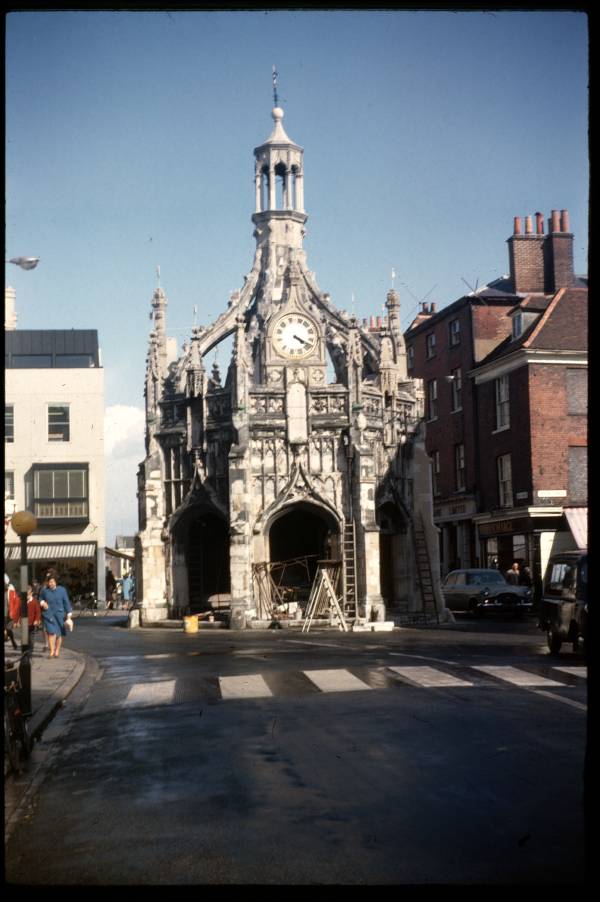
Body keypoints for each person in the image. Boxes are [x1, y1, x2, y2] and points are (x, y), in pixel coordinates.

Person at [39, 576, 73, 658]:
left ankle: (57, 651)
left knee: (58, 634)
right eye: (49, 582)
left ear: (56, 582)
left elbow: (66, 602)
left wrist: (69, 614)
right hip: (48, 614)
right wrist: (43, 603)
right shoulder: (44, 591)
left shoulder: (62, 590)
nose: (51, 583)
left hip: (59, 615)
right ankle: (52, 651)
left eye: (53, 582)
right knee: (51, 633)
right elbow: (40, 598)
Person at [26, 584, 43, 649]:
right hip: (25, 623)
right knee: (25, 637)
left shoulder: (35, 602)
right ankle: (26, 649)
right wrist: (18, 620)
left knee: (31, 637)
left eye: (29, 594)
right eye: (26, 594)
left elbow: (38, 612)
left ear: (31, 593)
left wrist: (36, 620)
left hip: (32, 623)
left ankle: (31, 649)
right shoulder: (23, 601)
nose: (27, 596)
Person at [4, 574, 18, 650]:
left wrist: (14, 612)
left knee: (8, 629)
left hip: (9, 615)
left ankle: (13, 641)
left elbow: (17, 602)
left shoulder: (11, 591)